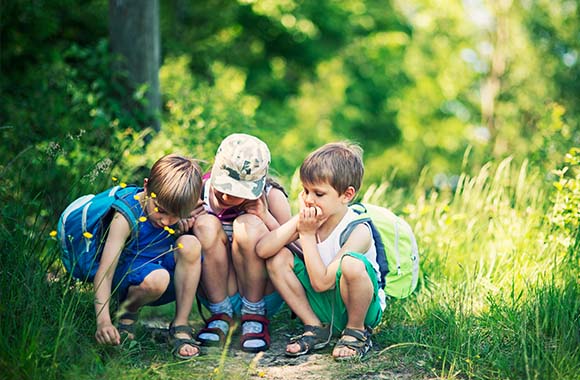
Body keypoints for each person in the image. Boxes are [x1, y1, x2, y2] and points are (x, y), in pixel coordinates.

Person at [256, 142, 386, 360]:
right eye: (305, 191)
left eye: (318, 193)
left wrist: (306, 235)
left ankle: (356, 332)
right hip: (322, 305)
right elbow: (263, 250)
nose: (308, 199)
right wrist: (298, 223)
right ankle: (315, 326)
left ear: (346, 195)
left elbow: (322, 282)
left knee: (351, 264)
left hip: (357, 307)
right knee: (277, 257)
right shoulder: (310, 218)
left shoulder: (358, 230)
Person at [93, 154, 204, 360]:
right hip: (128, 278)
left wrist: (182, 226)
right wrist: (103, 322)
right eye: (161, 211)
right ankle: (126, 312)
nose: (166, 221)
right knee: (158, 278)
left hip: (161, 271)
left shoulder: (173, 211)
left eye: (175, 215)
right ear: (146, 187)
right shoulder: (125, 216)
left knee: (191, 244)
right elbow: (105, 273)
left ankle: (180, 324)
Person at [191, 133, 293, 353]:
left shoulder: (272, 196)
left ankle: (254, 314)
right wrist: (186, 220)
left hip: (263, 293)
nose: (227, 198)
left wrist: (266, 217)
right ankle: (221, 314)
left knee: (248, 224)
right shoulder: (199, 191)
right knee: (205, 224)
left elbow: (295, 249)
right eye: (224, 187)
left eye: (236, 193)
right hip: (217, 289)